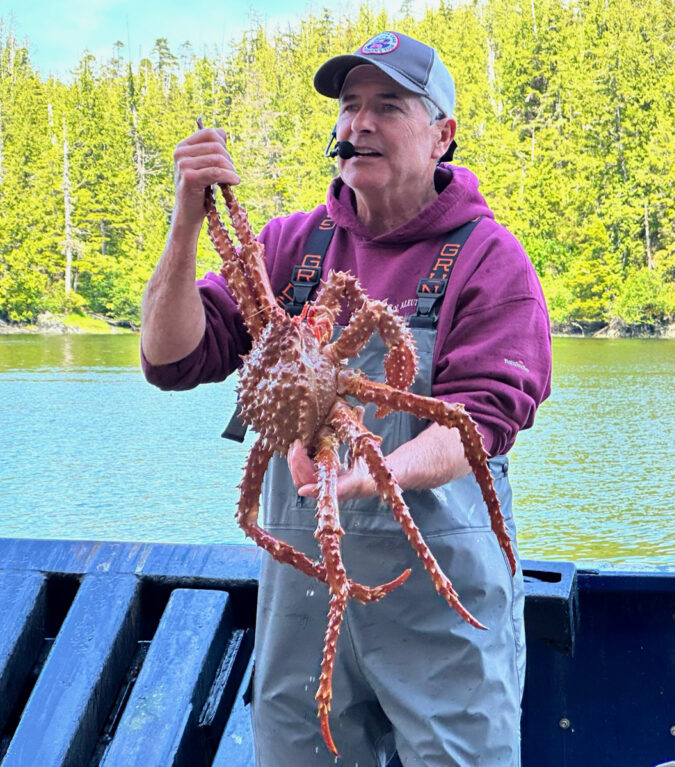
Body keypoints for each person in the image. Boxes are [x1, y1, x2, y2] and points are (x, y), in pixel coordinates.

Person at [140, 30, 552, 767]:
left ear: (442, 135)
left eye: (387, 106)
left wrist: (375, 475)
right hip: (301, 602)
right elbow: (170, 358)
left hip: (439, 603)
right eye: (349, 106)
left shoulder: (489, 257)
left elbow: (482, 418)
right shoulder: (289, 248)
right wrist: (185, 222)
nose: (358, 124)